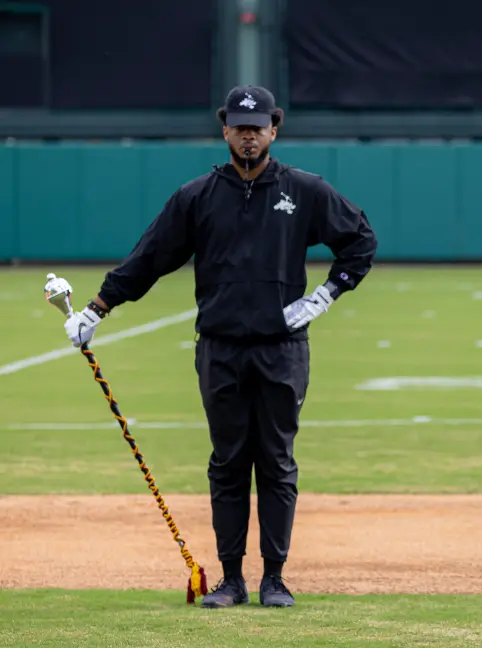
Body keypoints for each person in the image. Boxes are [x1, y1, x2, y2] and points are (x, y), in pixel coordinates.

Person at [56, 85, 378, 609]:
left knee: (276, 460)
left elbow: (360, 241)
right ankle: (231, 579)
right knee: (228, 461)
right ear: (224, 129)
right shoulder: (198, 196)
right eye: (238, 126)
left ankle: (275, 578)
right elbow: (151, 256)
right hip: (221, 348)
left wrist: (323, 296)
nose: (248, 135)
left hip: (282, 348)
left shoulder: (304, 189)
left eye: (257, 126)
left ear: (274, 129)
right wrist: (98, 307)